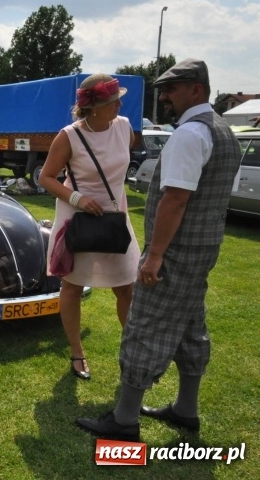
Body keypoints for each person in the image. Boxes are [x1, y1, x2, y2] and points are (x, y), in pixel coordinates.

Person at [76, 59, 242, 441]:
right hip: (204, 247)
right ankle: (186, 408)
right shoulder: (222, 130)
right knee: (190, 325)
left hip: (176, 251)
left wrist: (154, 255)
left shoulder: (190, 134)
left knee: (145, 325)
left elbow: (176, 200)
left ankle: (124, 419)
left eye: (171, 89)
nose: (164, 97)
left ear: (196, 91)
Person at [38, 74, 140, 380]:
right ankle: (77, 353)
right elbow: (46, 177)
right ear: (93, 107)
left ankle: (132, 351)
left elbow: (119, 166)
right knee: (71, 285)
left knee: (127, 287)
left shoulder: (123, 127)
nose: (120, 105)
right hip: (78, 219)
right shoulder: (69, 136)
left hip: (113, 217)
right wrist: (78, 198)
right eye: (113, 101)